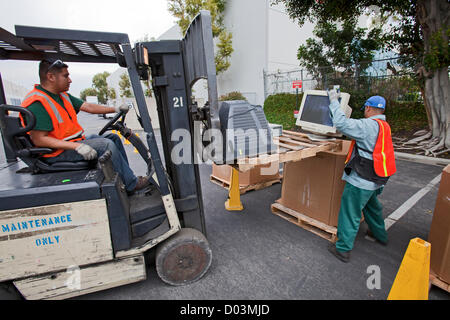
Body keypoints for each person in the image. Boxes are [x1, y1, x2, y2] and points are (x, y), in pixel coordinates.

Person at [21, 58, 149, 193]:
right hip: (56, 153)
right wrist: (77, 146)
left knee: (113, 138)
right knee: (106, 145)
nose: (69, 80)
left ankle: (125, 180)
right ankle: (131, 184)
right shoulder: (38, 102)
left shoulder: (62, 96)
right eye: (65, 76)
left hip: (71, 144)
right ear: (51, 77)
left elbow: (88, 106)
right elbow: (39, 139)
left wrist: (115, 109)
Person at [326, 90, 396, 263]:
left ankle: (342, 249)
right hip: (376, 178)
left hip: (361, 179)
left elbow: (341, 123)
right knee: (372, 207)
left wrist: (334, 101)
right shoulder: (383, 126)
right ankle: (379, 234)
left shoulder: (367, 126)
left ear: (369, 108)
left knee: (350, 212)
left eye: (365, 108)